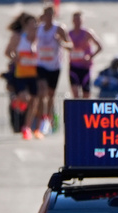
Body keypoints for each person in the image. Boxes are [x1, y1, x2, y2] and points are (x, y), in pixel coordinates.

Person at [35, 5, 70, 135]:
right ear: (43, 16)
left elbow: (70, 45)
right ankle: (43, 118)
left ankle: (48, 119)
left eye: (51, 14)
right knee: (42, 91)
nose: (48, 17)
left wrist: (61, 42)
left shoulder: (59, 28)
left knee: (50, 95)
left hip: (54, 66)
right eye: (46, 14)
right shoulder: (38, 29)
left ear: (53, 15)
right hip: (41, 64)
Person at [5, 13, 40, 139]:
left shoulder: (38, 38)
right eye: (31, 23)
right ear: (25, 25)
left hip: (35, 74)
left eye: (35, 23)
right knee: (24, 97)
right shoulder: (18, 37)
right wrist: (16, 58)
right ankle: (17, 102)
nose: (33, 26)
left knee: (34, 101)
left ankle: (27, 127)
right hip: (21, 73)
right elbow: (8, 52)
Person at [67, 12, 102, 99]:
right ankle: (76, 112)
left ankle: (85, 112)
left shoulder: (87, 33)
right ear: (72, 21)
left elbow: (100, 46)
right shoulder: (69, 34)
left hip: (85, 67)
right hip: (74, 67)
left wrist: (90, 57)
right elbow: (66, 47)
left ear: (82, 21)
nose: (77, 22)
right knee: (75, 94)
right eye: (75, 20)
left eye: (79, 20)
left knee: (86, 95)